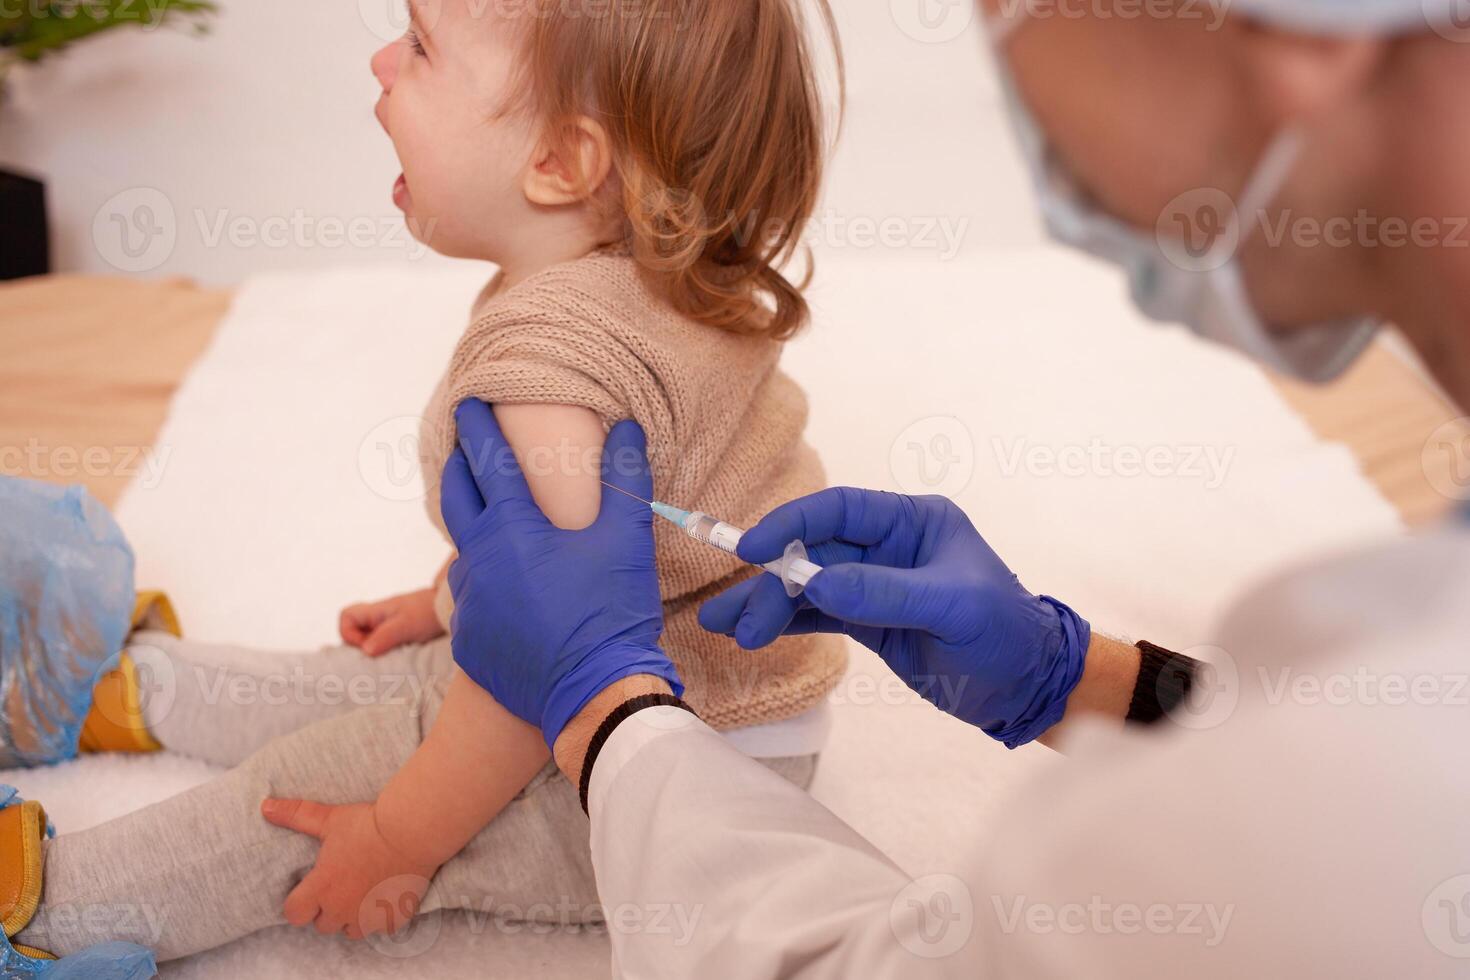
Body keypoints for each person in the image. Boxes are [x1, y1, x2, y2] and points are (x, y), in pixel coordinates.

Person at [437, 0, 1470, 976]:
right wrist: (1080, 678)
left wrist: (605, 707)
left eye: (1013, 14)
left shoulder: (1375, 780)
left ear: (1302, 30)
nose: (1021, 99)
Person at [0, 0, 846, 969]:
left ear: (563, 163)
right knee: (362, 683)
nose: (379, 63)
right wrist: (449, 594)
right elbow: (589, 553)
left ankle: (49, 904)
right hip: (697, 694)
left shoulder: (551, 370)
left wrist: (399, 837)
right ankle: (121, 694)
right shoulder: (647, 277)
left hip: (674, 773)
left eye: (420, 47)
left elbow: (542, 669)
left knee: (302, 795)